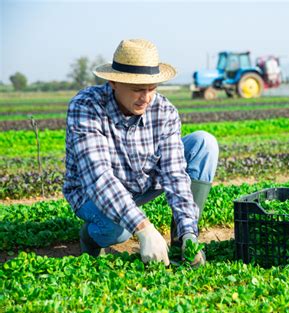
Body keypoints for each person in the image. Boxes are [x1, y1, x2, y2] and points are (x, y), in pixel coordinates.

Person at [63, 38, 218, 267]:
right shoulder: (86, 107)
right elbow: (99, 178)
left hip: (140, 183)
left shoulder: (164, 110)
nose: (146, 98)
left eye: (151, 89)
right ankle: (91, 236)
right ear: (114, 82)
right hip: (91, 193)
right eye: (137, 89)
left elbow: (175, 173)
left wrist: (189, 232)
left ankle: (181, 244)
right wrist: (144, 229)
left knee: (204, 143)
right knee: (118, 231)